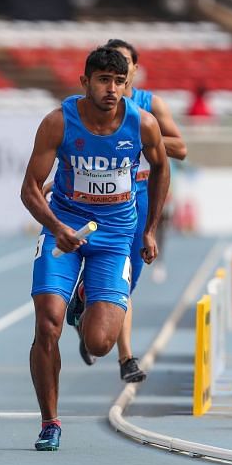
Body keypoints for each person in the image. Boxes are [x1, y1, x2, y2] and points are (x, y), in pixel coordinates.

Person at [21, 47, 169, 451]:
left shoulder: (143, 124)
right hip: (63, 230)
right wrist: (56, 227)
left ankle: (84, 299)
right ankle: (50, 421)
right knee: (47, 323)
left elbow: (162, 168)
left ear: (127, 84)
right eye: (103, 80)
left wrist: (151, 228)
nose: (111, 89)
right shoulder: (58, 123)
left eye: (119, 82)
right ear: (84, 82)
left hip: (116, 238)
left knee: (100, 343)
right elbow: (30, 189)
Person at [70, 38, 186, 382]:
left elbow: (180, 147)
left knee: (128, 279)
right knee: (117, 279)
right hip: (97, 200)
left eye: (124, 66)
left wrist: (138, 138)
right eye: (108, 72)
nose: (115, 77)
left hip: (138, 197)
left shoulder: (149, 107)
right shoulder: (90, 107)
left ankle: (89, 308)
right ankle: (126, 358)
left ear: (134, 70)